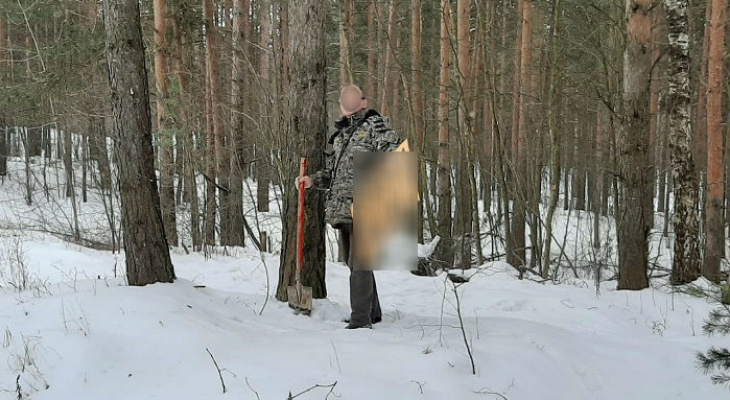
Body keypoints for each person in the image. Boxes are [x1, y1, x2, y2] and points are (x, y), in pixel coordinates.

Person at [296, 85, 403, 329]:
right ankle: (372, 313)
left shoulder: (376, 125)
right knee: (354, 262)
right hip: (342, 208)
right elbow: (332, 174)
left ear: (363, 102)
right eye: (345, 98)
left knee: (359, 262)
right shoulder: (340, 135)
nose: (349, 100)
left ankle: (360, 320)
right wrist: (311, 180)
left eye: (354, 96)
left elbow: (394, 156)